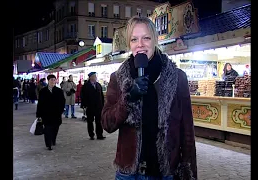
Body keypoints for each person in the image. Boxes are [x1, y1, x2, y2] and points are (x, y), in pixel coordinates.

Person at [101, 16, 197, 179]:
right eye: (134, 39)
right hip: (129, 174)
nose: (140, 44)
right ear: (129, 44)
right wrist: (127, 99)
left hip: (165, 173)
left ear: (155, 40)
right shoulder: (118, 78)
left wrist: (188, 171)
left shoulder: (177, 78)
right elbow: (107, 124)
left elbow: (187, 131)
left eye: (146, 38)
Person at [36, 74, 65, 150]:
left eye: (54, 80)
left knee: (55, 128)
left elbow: (62, 102)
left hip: (56, 114)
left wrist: (61, 110)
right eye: (51, 80)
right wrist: (38, 114)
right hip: (46, 114)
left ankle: (53, 139)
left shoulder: (59, 91)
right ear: (48, 81)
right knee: (47, 129)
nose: (53, 81)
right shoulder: (43, 91)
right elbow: (40, 103)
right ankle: (48, 144)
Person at [80, 72, 105, 140]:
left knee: (99, 121)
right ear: (90, 77)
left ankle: (99, 134)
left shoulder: (98, 85)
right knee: (90, 121)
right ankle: (91, 134)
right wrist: (84, 105)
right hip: (90, 106)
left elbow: (101, 96)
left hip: (98, 106)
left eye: (95, 76)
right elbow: (82, 96)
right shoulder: (85, 86)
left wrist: (103, 104)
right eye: (94, 76)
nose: (95, 77)